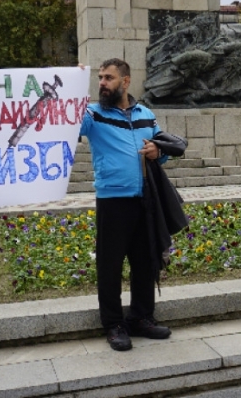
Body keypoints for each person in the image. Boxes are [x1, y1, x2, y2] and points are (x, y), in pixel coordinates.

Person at [79, 59, 172, 351]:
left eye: (108, 78)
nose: (103, 83)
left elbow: (163, 151)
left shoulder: (145, 113)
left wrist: (158, 151)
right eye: (100, 77)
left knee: (145, 263)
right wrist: (71, 91)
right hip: (112, 200)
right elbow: (69, 125)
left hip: (145, 199)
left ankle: (142, 317)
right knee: (110, 266)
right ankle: (114, 324)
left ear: (126, 82)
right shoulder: (93, 114)